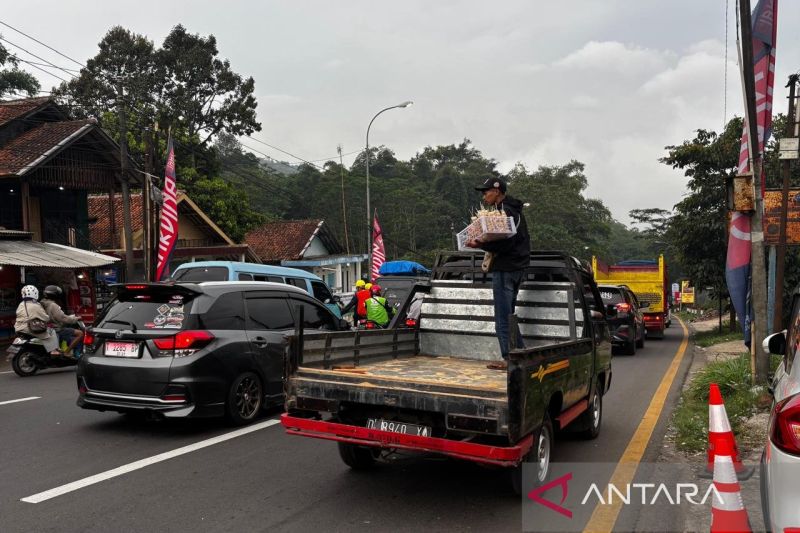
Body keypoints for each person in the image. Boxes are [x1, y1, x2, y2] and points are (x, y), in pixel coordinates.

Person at [466, 177, 531, 369]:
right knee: (509, 315)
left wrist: (480, 244)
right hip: (516, 267)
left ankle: (509, 358)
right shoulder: (511, 210)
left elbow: (506, 243)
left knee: (502, 318)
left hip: (506, 268)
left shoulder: (507, 211)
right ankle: (521, 354)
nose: (484, 195)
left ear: (497, 191)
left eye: (486, 191)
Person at [14, 285, 60, 355]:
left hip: (18, 328)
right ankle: (53, 350)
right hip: (30, 328)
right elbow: (45, 318)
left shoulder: (21, 304)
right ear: (35, 293)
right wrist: (48, 318)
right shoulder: (35, 305)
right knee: (51, 331)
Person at [40, 285, 83, 356]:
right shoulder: (53, 305)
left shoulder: (42, 303)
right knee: (80, 333)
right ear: (55, 295)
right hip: (56, 329)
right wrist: (75, 319)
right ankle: (67, 352)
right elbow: (63, 318)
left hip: (48, 328)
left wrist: (70, 316)